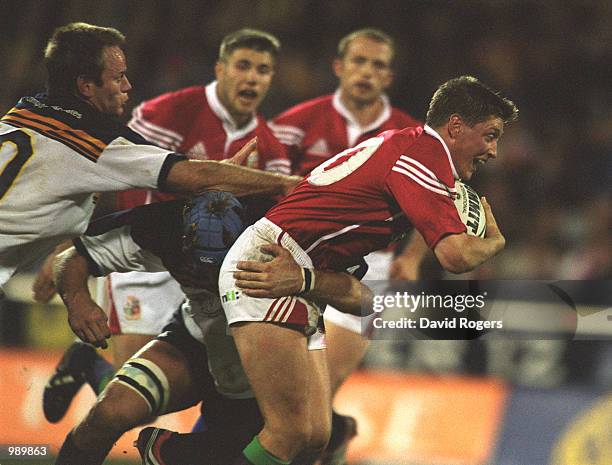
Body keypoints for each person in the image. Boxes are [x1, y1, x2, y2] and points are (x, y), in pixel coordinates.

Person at [219, 75, 518, 464]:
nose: (493, 151)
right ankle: (178, 453)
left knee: (314, 433)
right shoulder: (423, 157)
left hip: (303, 272)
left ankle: (179, 451)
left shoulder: (414, 145)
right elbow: (454, 257)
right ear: (456, 126)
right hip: (272, 263)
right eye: (491, 135)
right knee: (289, 430)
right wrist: (495, 242)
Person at [40, 27, 290, 425]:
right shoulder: (169, 112)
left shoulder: (271, 145)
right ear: (220, 69)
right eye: (243, 66)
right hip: (146, 258)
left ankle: (199, 443)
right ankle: (87, 361)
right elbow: (103, 177)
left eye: (263, 70)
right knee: (127, 393)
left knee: (196, 383)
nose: (253, 78)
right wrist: (65, 247)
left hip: (206, 276)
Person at [51, 192, 369, 465]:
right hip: (196, 339)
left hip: (268, 357)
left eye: (223, 269)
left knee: (299, 441)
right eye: (201, 269)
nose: (214, 278)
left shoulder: (291, 236)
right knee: (109, 412)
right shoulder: (159, 228)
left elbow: (364, 300)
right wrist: (77, 299)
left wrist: (307, 280)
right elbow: (74, 258)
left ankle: (177, 452)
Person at [0, 22, 298, 291]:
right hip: (145, 264)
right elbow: (191, 178)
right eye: (118, 78)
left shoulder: (21, 113)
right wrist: (284, 184)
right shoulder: (98, 142)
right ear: (87, 86)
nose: (128, 85)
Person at [269, 28, 423, 462]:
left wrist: (410, 258)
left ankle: (329, 431)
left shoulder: (412, 136)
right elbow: (265, 187)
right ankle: (334, 432)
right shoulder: (297, 123)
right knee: (289, 399)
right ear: (340, 67)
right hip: (297, 260)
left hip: (371, 267)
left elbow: (432, 208)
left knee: (321, 390)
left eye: (377, 65)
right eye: (359, 61)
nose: (366, 72)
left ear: (388, 77)